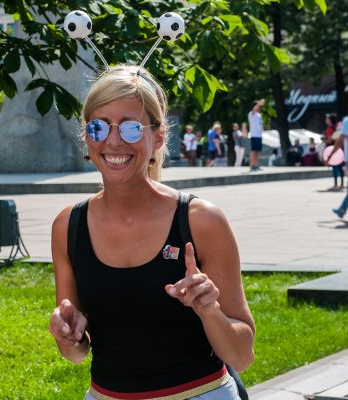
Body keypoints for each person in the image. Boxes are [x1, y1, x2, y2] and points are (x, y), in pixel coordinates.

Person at [49, 65, 255, 400]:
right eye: (99, 127)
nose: (113, 141)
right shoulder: (68, 226)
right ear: (87, 136)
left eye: (131, 128)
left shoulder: (201, 220)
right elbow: (76, 352)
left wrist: (209, 311)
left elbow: (242, 356)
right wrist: (68, 335)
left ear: (157, 136)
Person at [325, 113, 344, 190]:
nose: (326, 120)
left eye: (327, 119)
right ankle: (342, 184)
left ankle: (335, 185)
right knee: (340, 167)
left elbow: (330, 140)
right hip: (340, 149)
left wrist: (324, 140)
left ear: (330, 120)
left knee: (334, 167)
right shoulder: (338, 128)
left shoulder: (329, 129)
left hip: (332, 149)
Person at [248, 99, 264, 172]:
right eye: (257, 106)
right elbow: (254, 109)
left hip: (259, 136)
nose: (259, 107)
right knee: (253, 151)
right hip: (254, 135)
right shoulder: (251, 114)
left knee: (257, 151)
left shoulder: (259, 115)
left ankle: (255, 165)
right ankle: (252, 166)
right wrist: (259, 103)